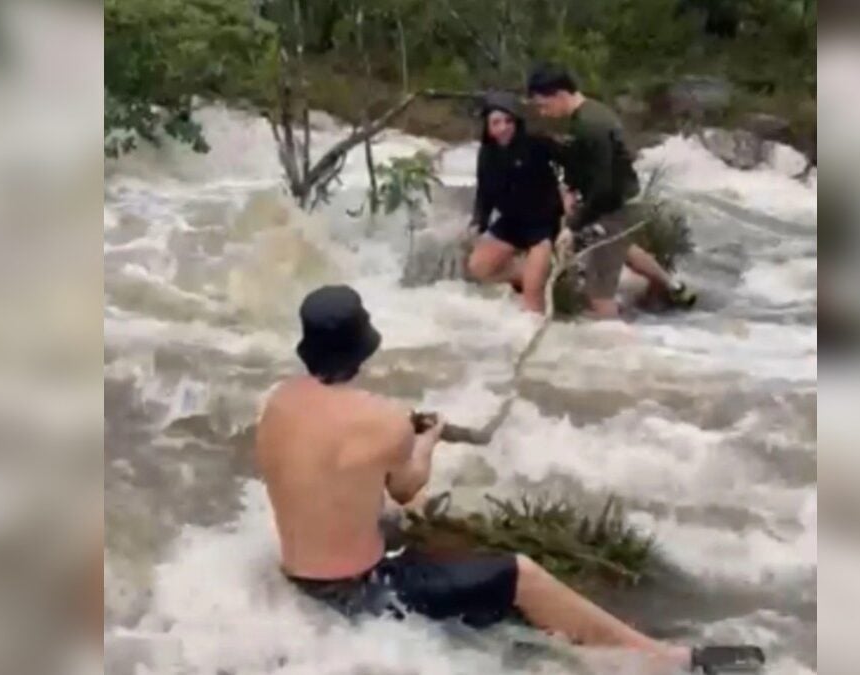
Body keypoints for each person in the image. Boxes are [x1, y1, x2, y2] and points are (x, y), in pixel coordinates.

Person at [254, 285, 764, 673]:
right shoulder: (385, 420)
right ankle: (666, 660)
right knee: (519, 572)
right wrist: (427, 439)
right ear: (361, 351)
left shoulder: (276, 404)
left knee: (394, 523)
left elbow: (332, 469)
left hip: (299, 577)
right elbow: (408, 488)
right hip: (362, 593)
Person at [527, 64, 697, 319]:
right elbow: (590, 164)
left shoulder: (590, 125)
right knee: (622, 247)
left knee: (599, 296)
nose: (543, 112)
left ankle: (623, 351)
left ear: (560, 94)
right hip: (621, 201)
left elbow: (603, 185)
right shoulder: (591, 114)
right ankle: (673, 287)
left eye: (544, 105)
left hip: (613, 207)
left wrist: (573, 225)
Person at [466, 92, 564, 313]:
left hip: (542, 224)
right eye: (496, 123)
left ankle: (536, 283)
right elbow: (484, 193)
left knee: (531, 299)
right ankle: (534, 274)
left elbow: (573, 163)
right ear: (488, 127)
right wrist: (478, 222)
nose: (503, 128)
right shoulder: (486, 154)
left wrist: (572, 197)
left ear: (517, 122)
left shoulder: (536, 144)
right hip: (511, 222)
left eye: (508, 121)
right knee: (478, 266)